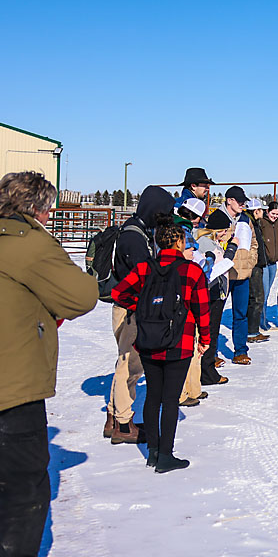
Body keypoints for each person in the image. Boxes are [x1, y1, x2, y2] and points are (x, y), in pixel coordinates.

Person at [0, 171, 97, 555]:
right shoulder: (28, 243)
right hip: (12, 388)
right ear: (40, 208)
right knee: (23, 491)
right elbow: (82, 295)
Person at [111, 218, 210, 473]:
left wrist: (140, 306)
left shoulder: (145, 267)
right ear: (179, 242)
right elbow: (202, 308)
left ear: (156, 242)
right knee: (170, 399)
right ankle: (166, 454)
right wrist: (206, 339)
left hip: (147, 339)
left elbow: (118, 293)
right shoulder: (192, 271)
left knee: (153, 395)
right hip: (181, 340)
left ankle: (153, 452)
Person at [105, 184, 176, 444]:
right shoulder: (135, 238)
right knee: (130, 367)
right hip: (131, 311)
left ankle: (114, 416)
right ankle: (123, 426)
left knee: (126, 364)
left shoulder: (137, 230)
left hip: (129, 308)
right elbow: (145, 276)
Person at [173, 198, 210, 407]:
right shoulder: (181, 231)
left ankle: (193, 388)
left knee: (193, 342)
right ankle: (182, 391)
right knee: (187, 343)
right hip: (186, 289)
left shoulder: (180, 227)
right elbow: (190, 259)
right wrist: (210, 261)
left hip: (186, 288)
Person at [197, 210, 235, 387]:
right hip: (211, 293)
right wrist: (232, 248)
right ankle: (207, 372)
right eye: (224, 231)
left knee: (212, 331)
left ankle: (206, 369)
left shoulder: (212, 242)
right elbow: (213, 267)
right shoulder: (205, 243)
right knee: (210, 332)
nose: (226, 235)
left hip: (216, 293)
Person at [222, 186, 258, 365]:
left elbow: (254, 242)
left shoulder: (246, 219)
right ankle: (210, 355)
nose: (243, 204)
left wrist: (250, 260)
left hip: (242, 273)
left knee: (241, 314)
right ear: (229, 200)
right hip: (222, 274)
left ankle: (240, 351)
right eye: (239, 201)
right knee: (214, 316)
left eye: (244, 201)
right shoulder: (218, 218)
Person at [245, 198, 271, 344]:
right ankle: (252, 331)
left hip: (256, 265)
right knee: (257, 297)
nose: (263, 212)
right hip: (253, 266)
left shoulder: (255, 224)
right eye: (261, 210)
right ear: (256, 211)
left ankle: (252, 330)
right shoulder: (250, 225)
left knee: (255, 297)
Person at [259, 201, 278, 330]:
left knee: (267, 293)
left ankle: (263, 319)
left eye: (277, 214)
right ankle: (260, 322)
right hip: (264, 263)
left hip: (274, 262)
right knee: (263, 292)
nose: (275, 216)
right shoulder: (262, 223)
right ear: (267, 211)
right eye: (273, 214)